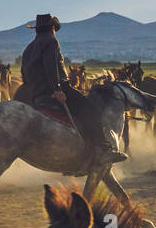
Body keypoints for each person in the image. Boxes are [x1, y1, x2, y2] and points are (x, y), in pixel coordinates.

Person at [21, 13, 126, 167]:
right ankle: (102, 150)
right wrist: (57, 89)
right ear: (52, 28)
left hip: (36, 94)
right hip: (56, 89)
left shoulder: (29, 48)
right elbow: (51, 68)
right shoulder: (51, 42)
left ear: (37, 30)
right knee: (90, 111)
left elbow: (25, 74)